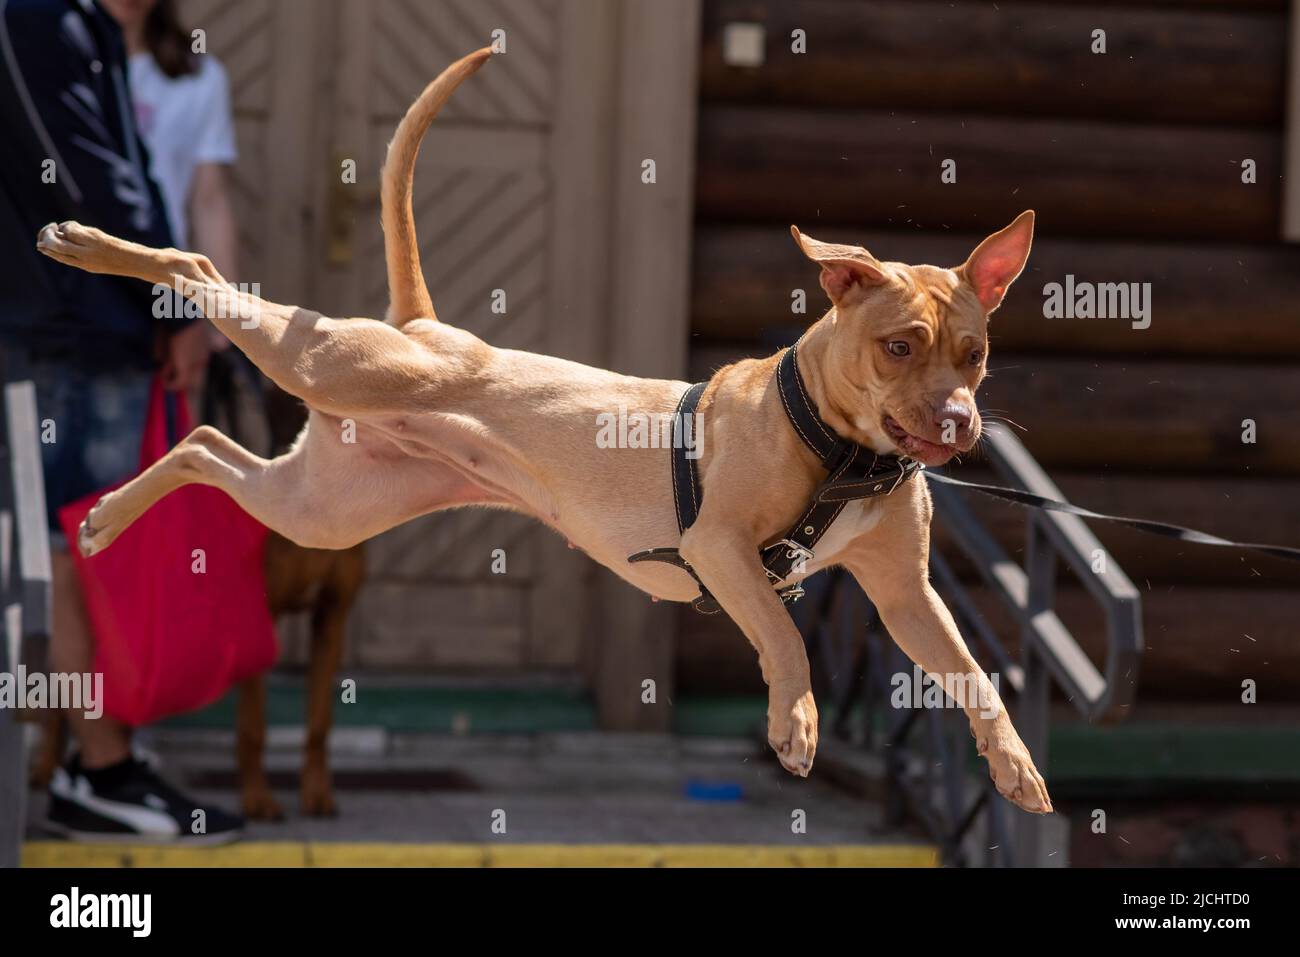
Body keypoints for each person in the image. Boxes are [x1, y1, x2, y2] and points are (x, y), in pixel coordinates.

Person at [0, 0, 240, 843]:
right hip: (64, 329)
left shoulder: (85, 27)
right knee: (74, 550)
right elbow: (87, 177)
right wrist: (177, 300)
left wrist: (183, 312)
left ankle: (95, 767)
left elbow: (132, 176)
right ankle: (99, 769)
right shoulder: (34, 16)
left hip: (103, 327)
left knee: (88, 548)